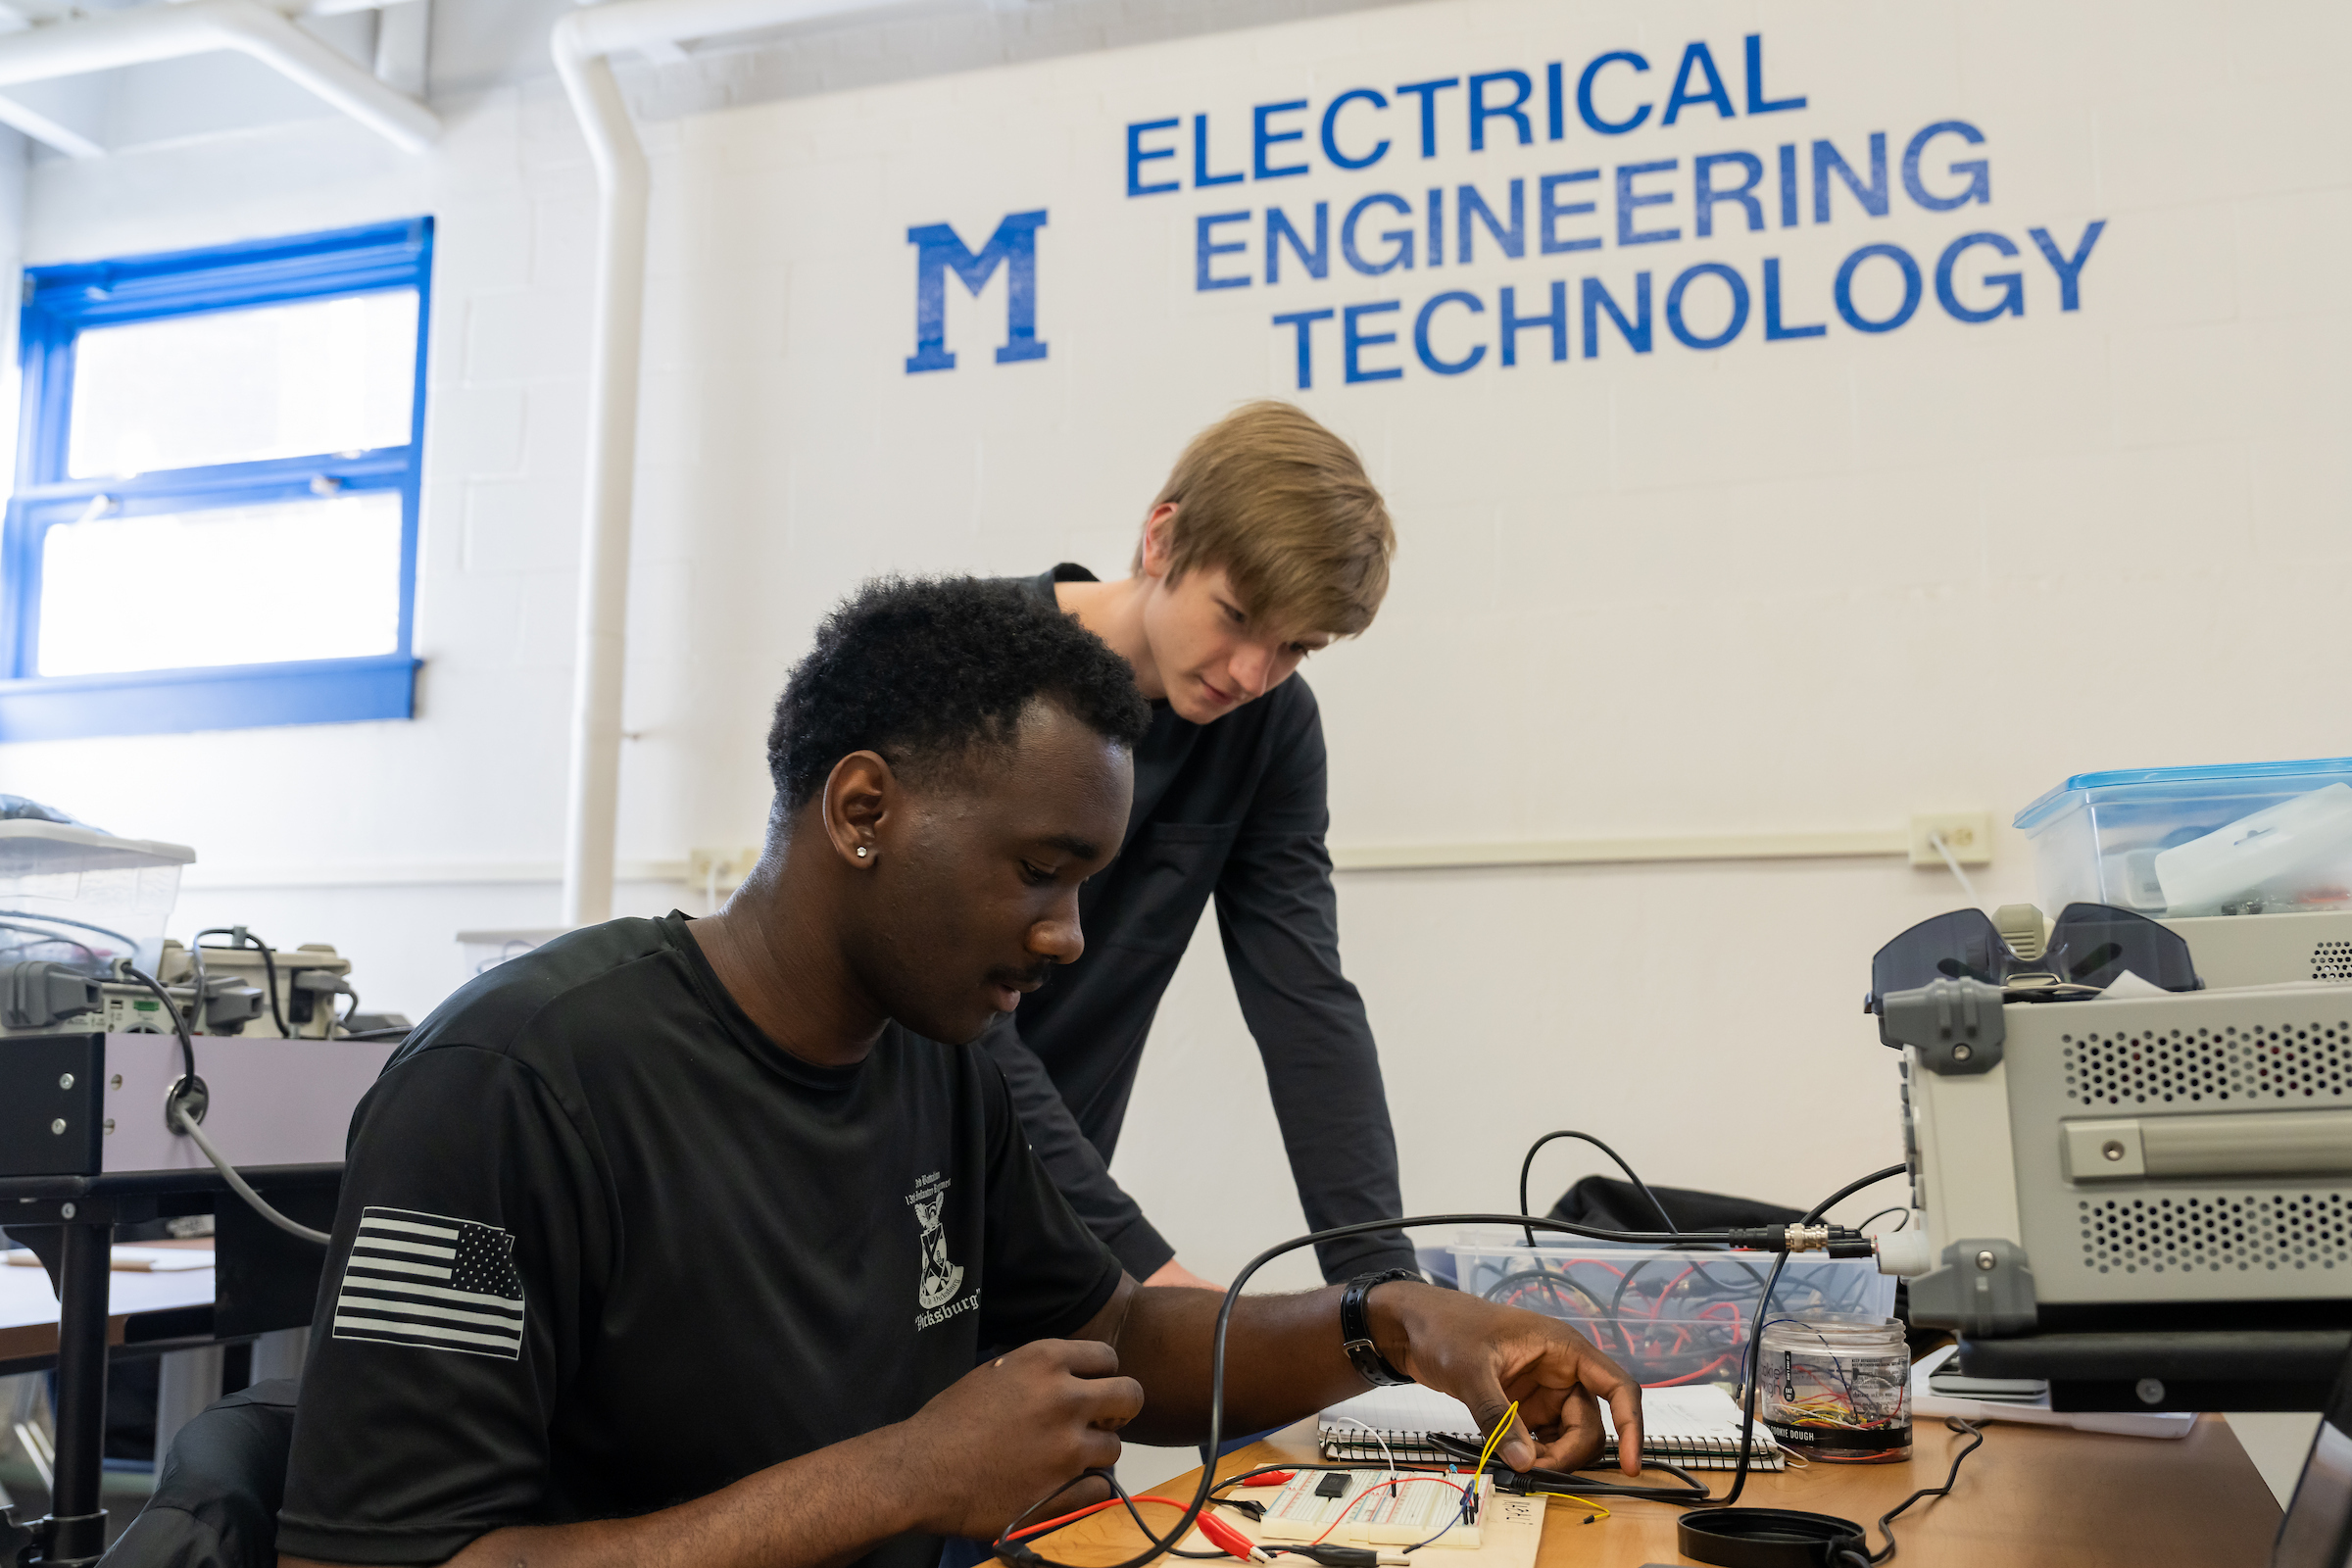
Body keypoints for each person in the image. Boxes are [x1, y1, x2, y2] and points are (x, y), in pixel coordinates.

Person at [275, 577, 1642, 1568]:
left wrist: (1392, 1324)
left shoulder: (943, 1063)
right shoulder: (511, 1084)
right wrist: (905, 1475)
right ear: (863, 811)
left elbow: (1116, 1337)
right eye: (1041, 875)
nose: (1068, 938)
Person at [993, 401, 1411, 1290]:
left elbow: (1306, 1000)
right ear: (1161, 538)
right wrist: (1148, 1266)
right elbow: (950, 1026)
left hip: (1042, 1208)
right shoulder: (971, 674)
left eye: (1296, 646)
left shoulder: (1268, 729)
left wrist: (1384, 1283)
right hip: (860, 1186)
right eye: (1238, 616)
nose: (1252, 674)